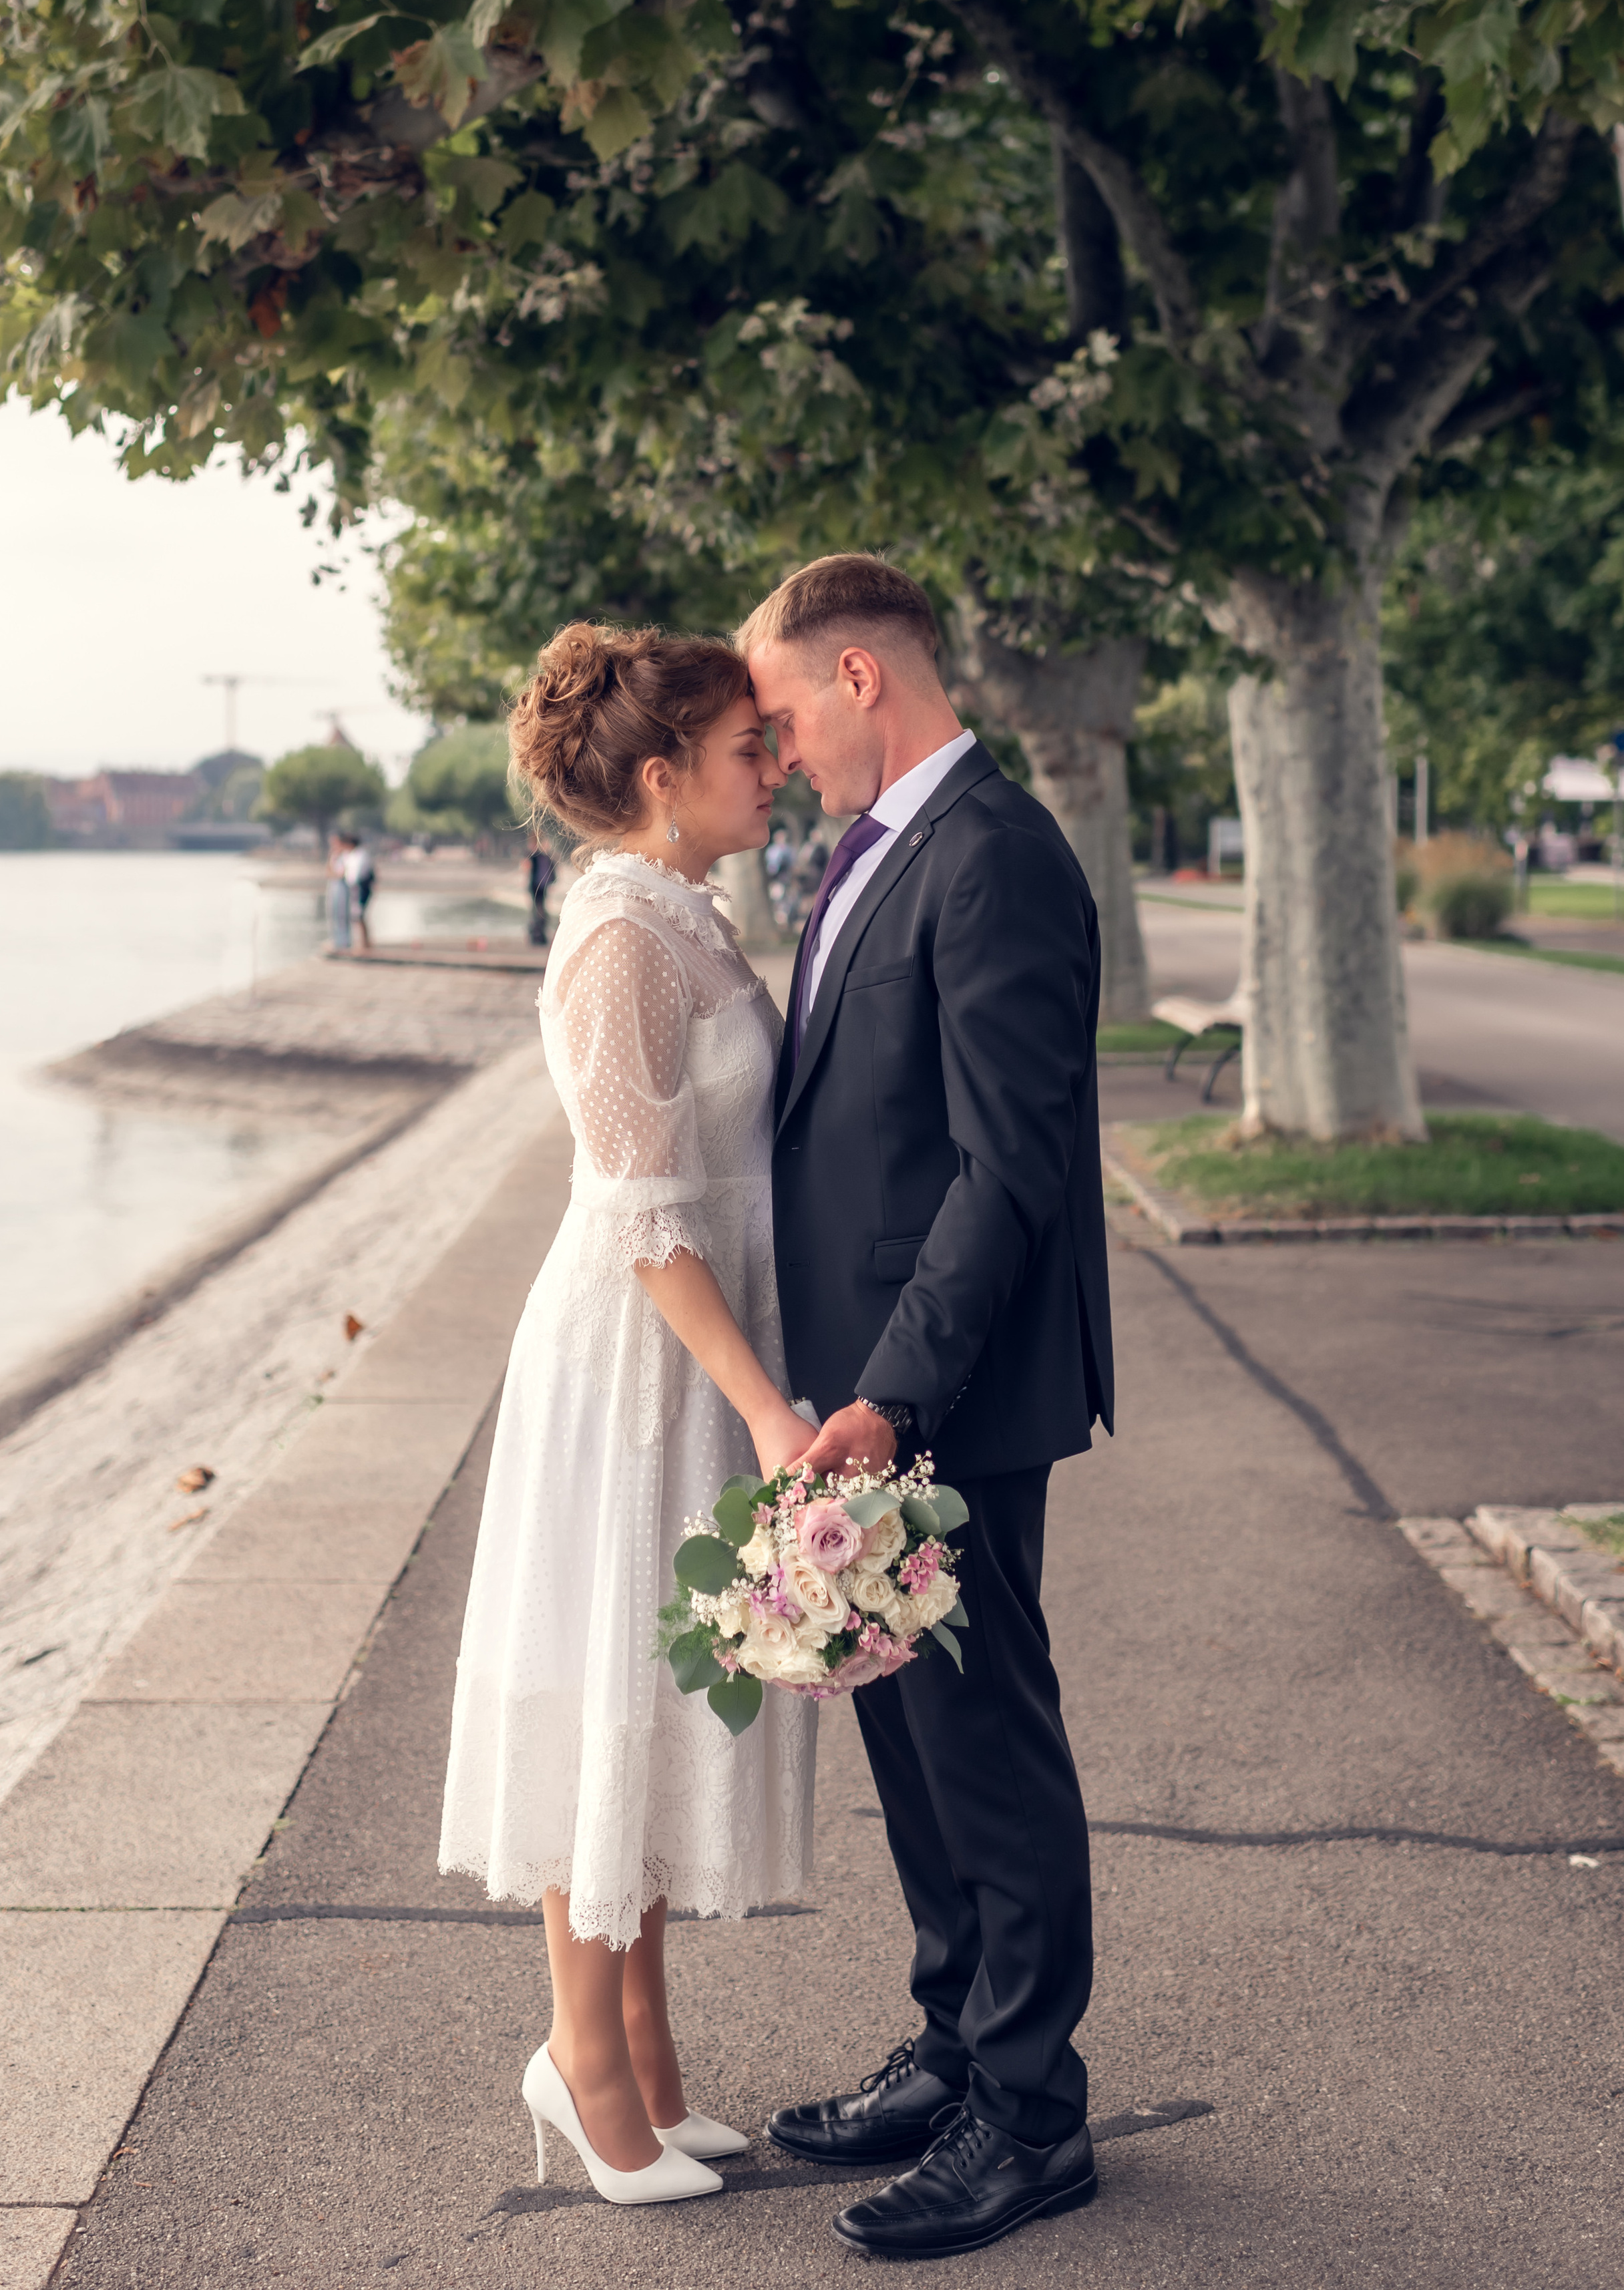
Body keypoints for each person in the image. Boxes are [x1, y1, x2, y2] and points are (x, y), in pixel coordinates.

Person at [741, 553, 1114, 2262]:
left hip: (943, 1387)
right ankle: (959, 2039)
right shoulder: (873, 850)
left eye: (784, 709)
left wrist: (895, 1390)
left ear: (861, 675)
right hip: (863, 1394)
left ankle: (1028, 2115)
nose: (779, 742)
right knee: (901, 1730)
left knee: (983, 1738)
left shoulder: (993, 856)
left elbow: (1006, 1165)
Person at [439, 622, 819, 2207]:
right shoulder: (614, 939)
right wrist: (768, 1408)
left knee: (663, 1703)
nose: (774, 763)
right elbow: (642, 1212)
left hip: (700, 1351)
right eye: (749, 746)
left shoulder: (687, 914)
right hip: (637, 1364)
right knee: (608, 1689)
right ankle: (580, 2056)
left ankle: (649, 2055)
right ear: (661, 777)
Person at [341, 833, 375, 952]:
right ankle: (363, 942)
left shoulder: (361, 855)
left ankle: (364, 943)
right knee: (357, 915)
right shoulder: (351, 855)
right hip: (354, 888)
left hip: (361, 888)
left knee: (359, 915)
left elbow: (357, 875)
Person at [324, 831, 352, 953]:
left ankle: (344, 942)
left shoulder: (346, 855)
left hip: (342, 886)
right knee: (332, 912)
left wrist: (335, 875)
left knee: (342, 913)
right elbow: (328, 872)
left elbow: (343, 874)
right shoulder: (334, 855)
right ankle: (336, 941)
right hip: (333, 885)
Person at [526, 833, 556, 945]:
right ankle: (536, 935)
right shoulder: (535, 856)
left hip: (542, 887)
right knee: (537, 910)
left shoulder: (546, 857)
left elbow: (552, 871)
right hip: (536, 886)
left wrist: (552, 882)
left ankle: (539, 934)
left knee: (540, 910)